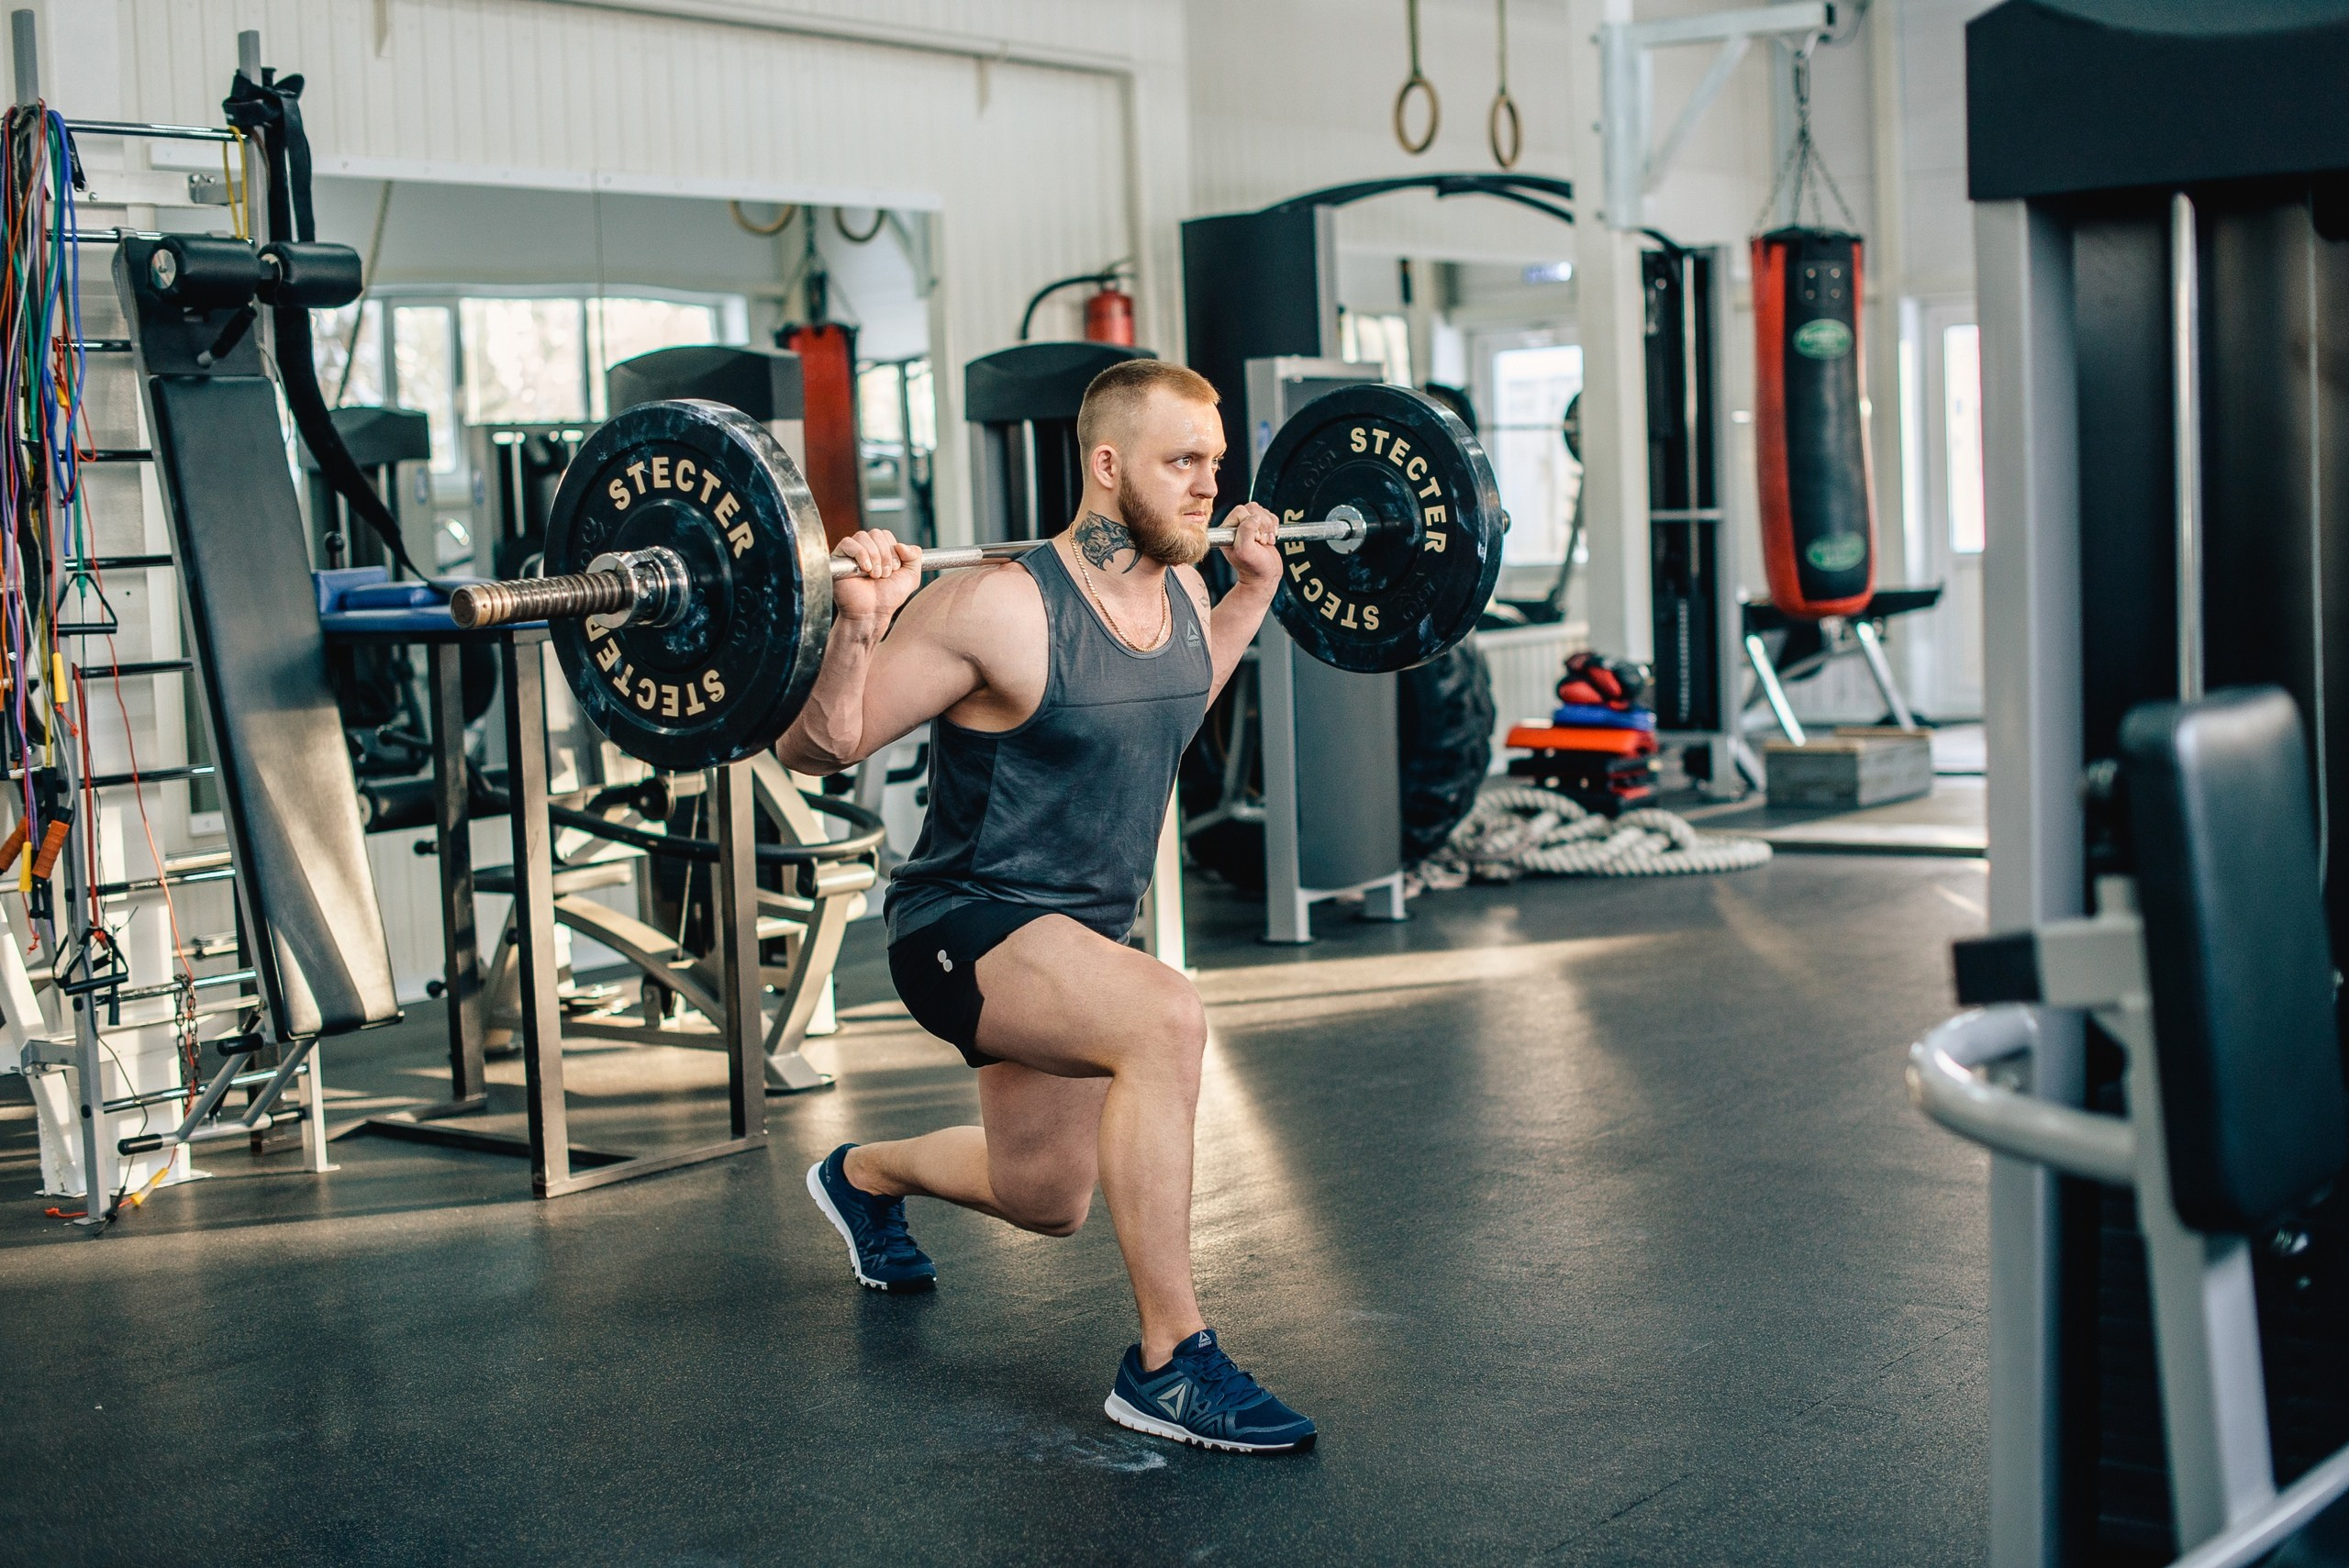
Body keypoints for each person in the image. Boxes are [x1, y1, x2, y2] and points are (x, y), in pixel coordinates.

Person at [774, 358, 1315, 1454]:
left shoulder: (1183, 591)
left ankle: (862, 1174)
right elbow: (817, 746)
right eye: (1182, 461)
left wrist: (1251, 594)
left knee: (1044, 1195)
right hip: (959, 925)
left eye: (1215, 462)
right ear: (1107, 465)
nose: (1210, 485)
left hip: (1073, 935)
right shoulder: (997, 605)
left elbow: (1169, 701)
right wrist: (858, 624)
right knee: (1164, 1015)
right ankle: (1169, 1361)